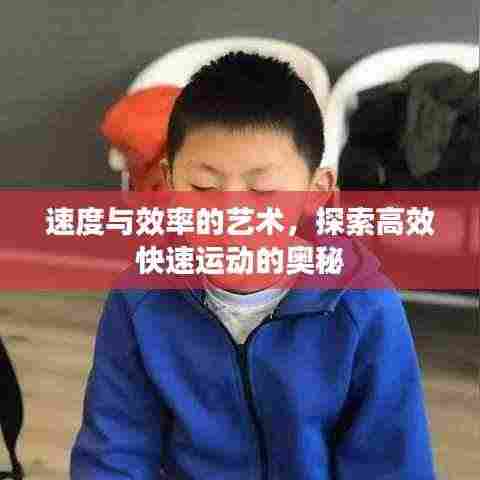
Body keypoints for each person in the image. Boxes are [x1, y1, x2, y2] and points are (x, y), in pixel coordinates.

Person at [70, 51, 437, 479]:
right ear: (168, 184)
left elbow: (392, 464)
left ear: (316, 193)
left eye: (263, 191)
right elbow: (114, 451)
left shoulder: (364, 306)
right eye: (203, 187)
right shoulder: (140, 299)